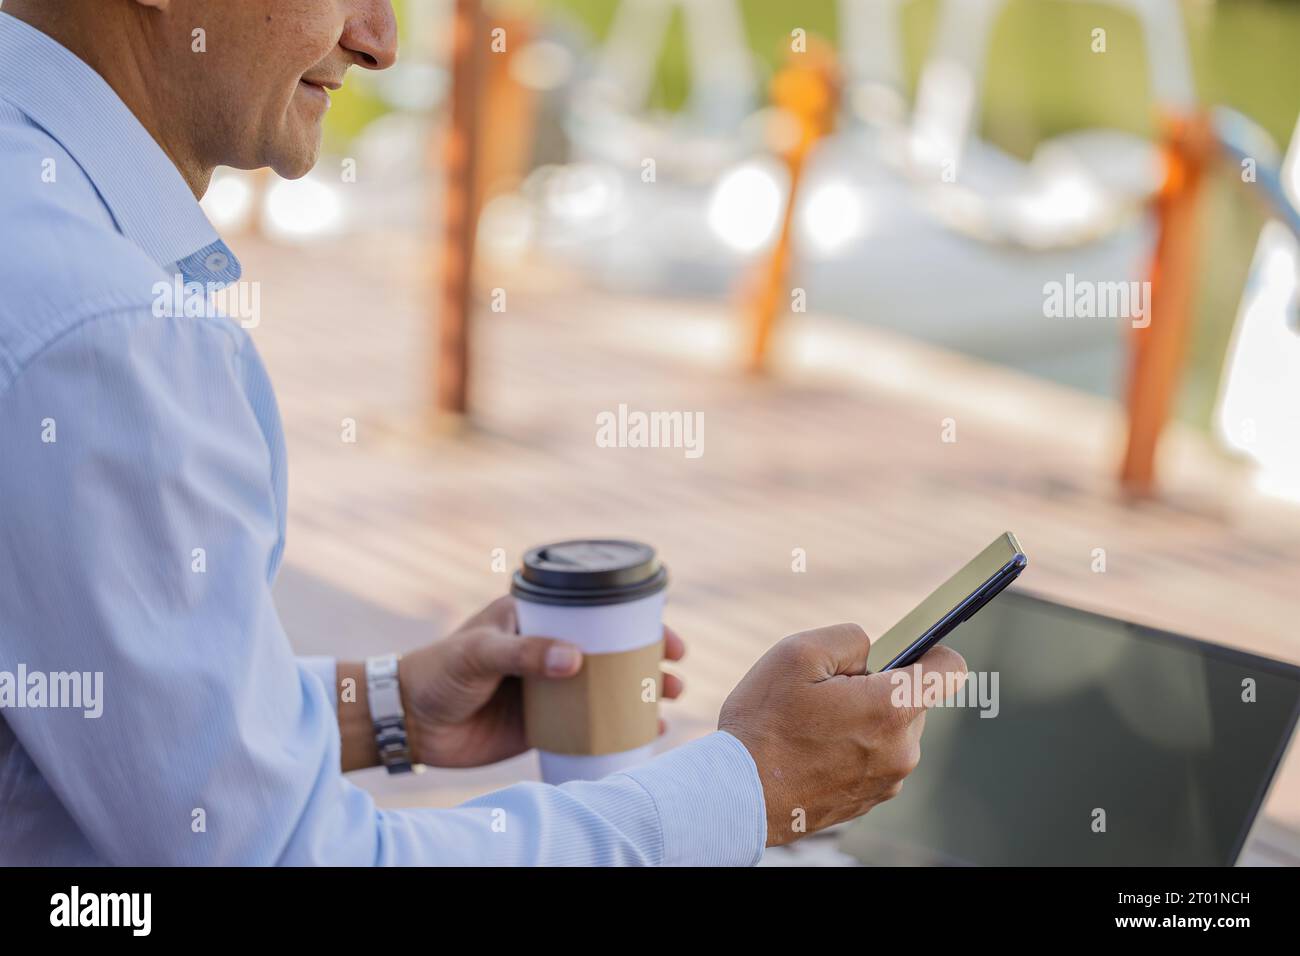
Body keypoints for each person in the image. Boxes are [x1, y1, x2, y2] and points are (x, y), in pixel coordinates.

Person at [0, 0, 967, 865]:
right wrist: (749, 791)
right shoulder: (108, 336)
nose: (377, 40)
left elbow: (65, 726)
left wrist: (387, 707)